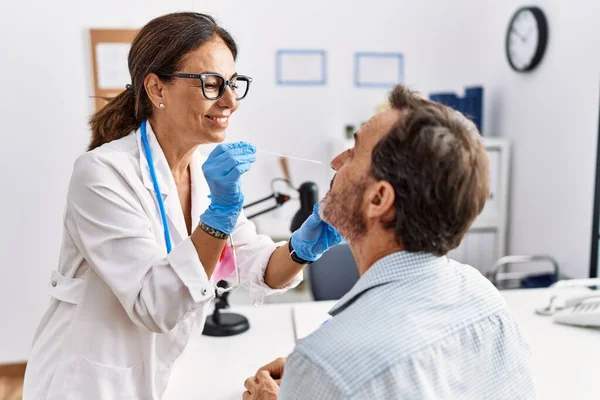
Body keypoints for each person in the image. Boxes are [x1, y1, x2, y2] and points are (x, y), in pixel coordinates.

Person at [22, 12, 342, 399]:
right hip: (91, 382)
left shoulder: (204, 174)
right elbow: (154, 305)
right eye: (211, 84)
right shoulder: (102, 174)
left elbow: (257, 267)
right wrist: (218, 217)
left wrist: (300, 247)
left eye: (234, 84)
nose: (230, 101)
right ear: (157, 88)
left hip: (167, 373)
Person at [243, 85, 535, 399]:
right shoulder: (486, 298)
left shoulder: (323, 362)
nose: (336, 162)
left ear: (379, 198)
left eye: (353, 153)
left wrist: (315, 381)